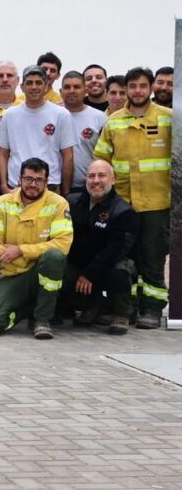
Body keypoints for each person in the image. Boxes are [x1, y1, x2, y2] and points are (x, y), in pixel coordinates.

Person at [94, 67, 171, 329]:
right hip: (123, 204)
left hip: (156, 202)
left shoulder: (168, 119)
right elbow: (101, 159)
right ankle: (129, 307)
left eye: (142, 86)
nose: (137, 91)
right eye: (133, 86)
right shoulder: (114, 121)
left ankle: (152, 308)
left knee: (152, 257)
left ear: (151, 88)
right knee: (125, 256)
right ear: (126, 89)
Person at [0, 157, 73, 339]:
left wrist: (19, 250)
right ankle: (30, 307)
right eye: (28, 178)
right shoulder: (1, 203)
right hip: (12, 275)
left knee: (53, 257)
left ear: (46, 182)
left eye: (38, 180)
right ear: (19, 179)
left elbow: (62, 245)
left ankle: (42, 319)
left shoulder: (59, 204)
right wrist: (34, 251)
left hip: (42, 270)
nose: (33, 184)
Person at [62, 161, 139, 335]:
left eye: (101, 175)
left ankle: (121, 312)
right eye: (91, 176)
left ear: (113, 180)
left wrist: (89, 274)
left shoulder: (124, 211)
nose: (96, 180)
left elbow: (115, 251)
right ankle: (95, 305)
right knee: (59, 271)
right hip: (81, 262)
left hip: (110, 263)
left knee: (119, 271)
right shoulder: (71, 202)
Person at [0, 65, 75, 196]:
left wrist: (65, 191)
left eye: (38, 83)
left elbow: (68, 156)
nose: (34, 87)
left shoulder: (61, 115)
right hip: (16, 187)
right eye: (29, 83)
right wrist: (4, 185)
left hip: (50, 187)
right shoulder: (9, 115)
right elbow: (3, 154)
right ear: (22, 87)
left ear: (46, 86)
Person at [60, 71, 107, 193]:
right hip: (57, 187)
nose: (71, 91)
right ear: (60, 91)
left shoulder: (99, 117)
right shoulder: (53, 116)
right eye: (67, 87)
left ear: (85, 91)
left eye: (76, 87)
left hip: (90, 187)